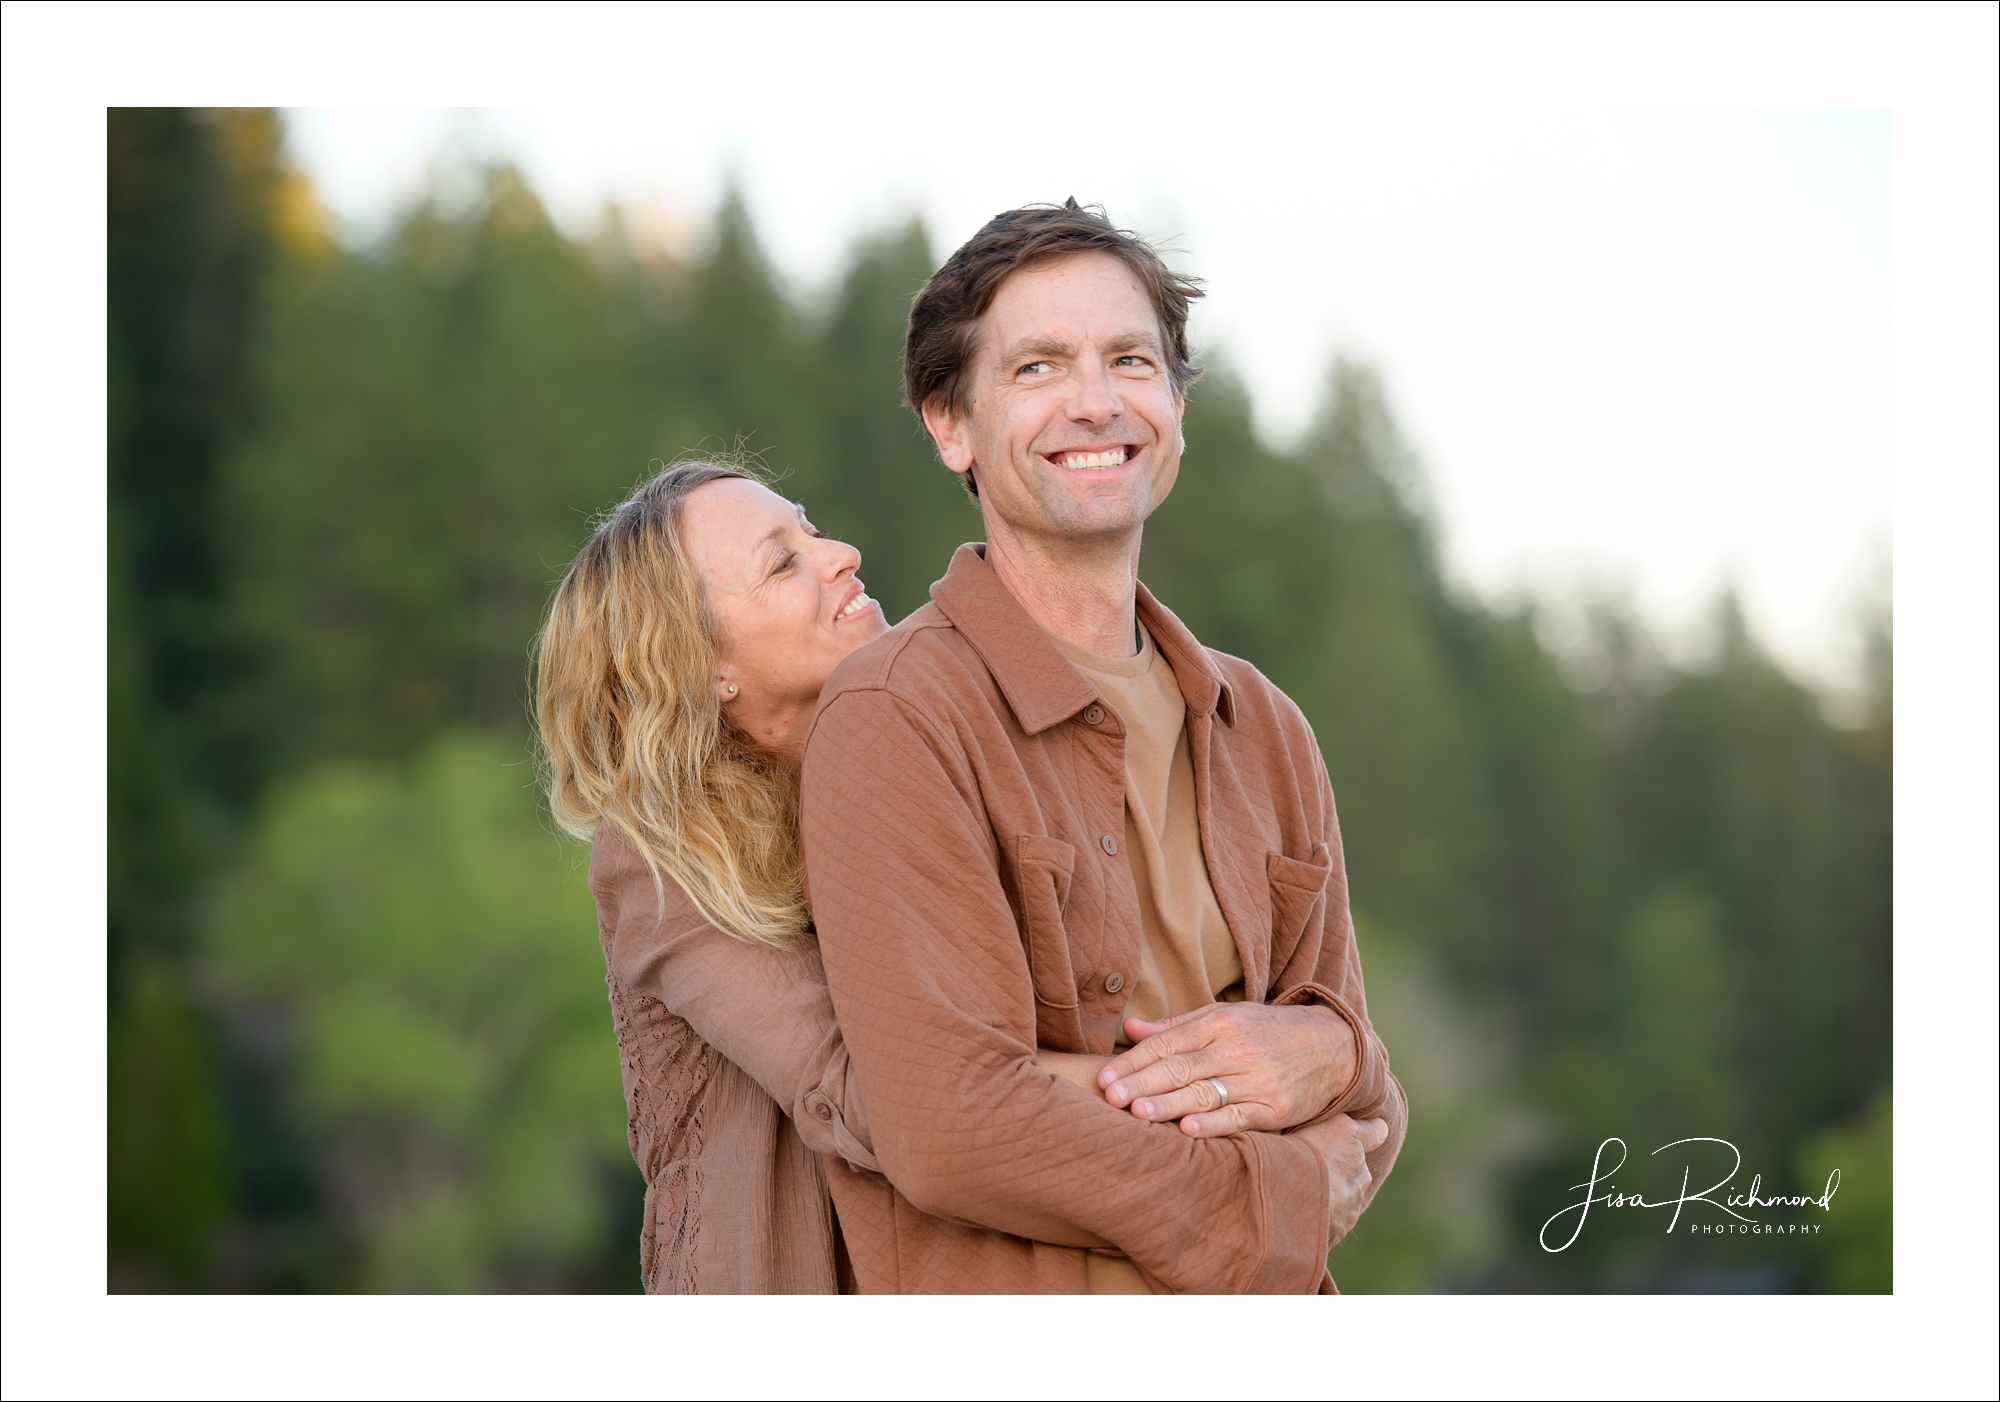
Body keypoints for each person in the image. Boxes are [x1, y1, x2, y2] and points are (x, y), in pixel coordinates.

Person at [533, 457, 1372, 1292]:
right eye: (782, 562)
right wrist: (1247, 1107)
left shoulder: (930, 765)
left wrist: (1324, 1057)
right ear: (699, 665)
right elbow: (886, 1095)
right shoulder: (660, 861)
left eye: (813, 530)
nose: (842, 554)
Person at [800, 201, 1408, 1293]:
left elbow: (1362, 1105)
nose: (1095, 401)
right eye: (1036, 367)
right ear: (949, 423)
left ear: (1175, 406)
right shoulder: (897, 711)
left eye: (1129, 360)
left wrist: (1341, 1056)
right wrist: (1276, 1193)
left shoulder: (1263, 725)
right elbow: (951, 1123)